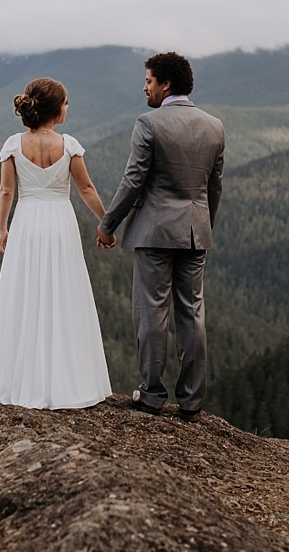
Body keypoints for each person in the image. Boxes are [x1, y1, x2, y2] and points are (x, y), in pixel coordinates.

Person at [96, 51, 225, 422]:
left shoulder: (149, 123)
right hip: (196, 230)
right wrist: (204, 226)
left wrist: (109, 224)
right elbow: (213, 187)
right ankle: (191, 401)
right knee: (192, 312)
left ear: (165, 84)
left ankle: (152, 393)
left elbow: (133, 179)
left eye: (149, 80)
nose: (145, 87)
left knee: (152, 312)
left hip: (154, 232)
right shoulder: (214, 126)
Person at [0, 77, 114, 409]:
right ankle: (67, 381)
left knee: (25, 296)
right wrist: (106, 221)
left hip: (27, 222)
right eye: (66, 101)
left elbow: (6, 191)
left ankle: (24, 381)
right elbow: (86, 189)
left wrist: (2, 228)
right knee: (63, 294)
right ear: (55, 110)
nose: (68, 106)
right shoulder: (69, 145)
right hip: (60, 222)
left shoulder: (14, 145)